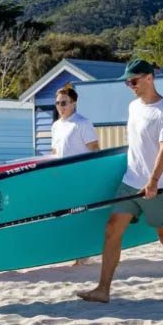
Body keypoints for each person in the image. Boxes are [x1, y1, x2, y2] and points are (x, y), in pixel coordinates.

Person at [77, 58, 163, 303]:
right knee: (112, 228)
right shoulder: (133, 107)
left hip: (157, 186)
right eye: (128, 82)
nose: (131, 86)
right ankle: (103, 289)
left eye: (134, 81)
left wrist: (154, 180)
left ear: (149, 78)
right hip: (130, 180)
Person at [51, 84, 100, 265]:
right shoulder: (56, 126)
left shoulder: (83, 123)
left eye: (64, 103)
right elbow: (55, 152)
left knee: (81, 216)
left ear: (74, 103)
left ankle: (83, 254)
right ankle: (75, 253)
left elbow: (94, 150)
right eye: (57, 103)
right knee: (67, 217)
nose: (60, 107)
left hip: (81, 178)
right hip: (63, 180)